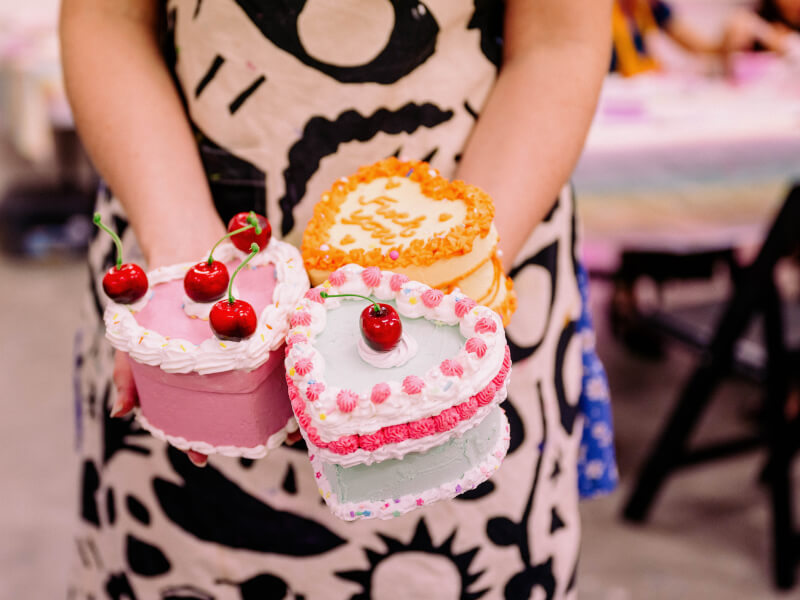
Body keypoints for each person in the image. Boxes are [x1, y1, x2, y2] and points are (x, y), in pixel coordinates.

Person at [60, 1, 615, 598]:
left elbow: (558, 42)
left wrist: (438, 293)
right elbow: (107, 19)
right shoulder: (185, 274)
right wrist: (191, 267)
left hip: (469, 270)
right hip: (180, 249)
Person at [610, 0, 723, 76]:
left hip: (637, 85)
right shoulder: (601, 8)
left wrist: (726, 45)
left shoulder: (649, 5)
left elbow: (693, 43)